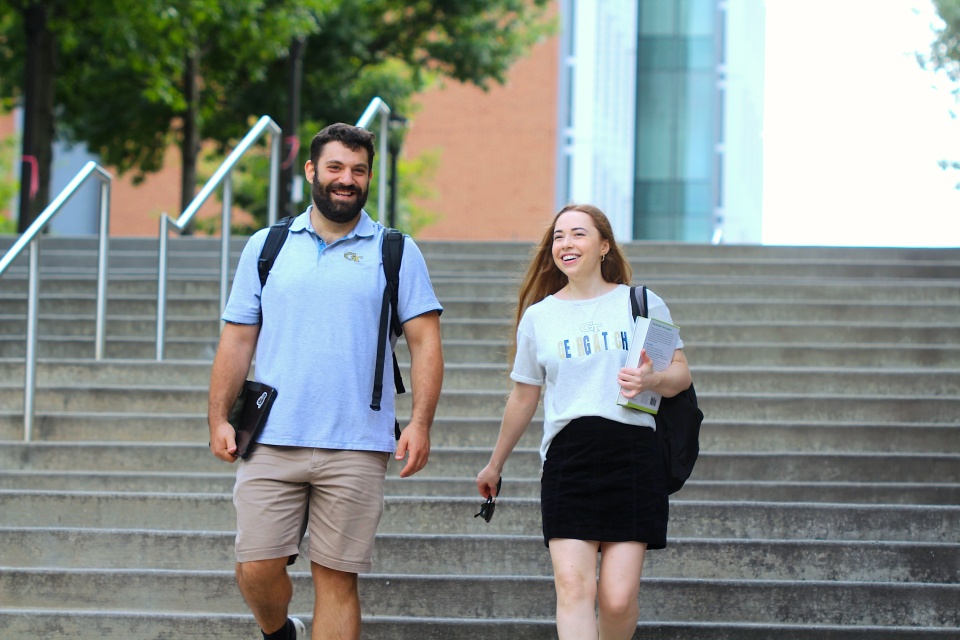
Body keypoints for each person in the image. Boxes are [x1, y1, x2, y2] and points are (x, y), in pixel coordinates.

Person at [208, 122, 444, 640]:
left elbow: (425, 342)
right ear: (312, 170)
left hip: (357, 442)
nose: (347, 179)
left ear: (369, 177)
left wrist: (421, 423)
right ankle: (279, 632)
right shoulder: (268, 246)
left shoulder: (396, 251)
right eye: (336, 167)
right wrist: (217, 419)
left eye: (359, 170)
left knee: (337, 578)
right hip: (271, 437)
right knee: (256, 567)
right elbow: (237, 339)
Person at [476, 203, 692, 640]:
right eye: (558, 236)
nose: (565, 244)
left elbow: (681, 375)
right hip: (569, 459)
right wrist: (495, 464)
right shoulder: (540, 317)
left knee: (616, 598)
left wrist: (653, 376)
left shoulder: (643, 303)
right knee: (574, 587)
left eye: (578, 234)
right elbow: (524, 395)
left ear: (604, 245)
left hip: (633, 456)